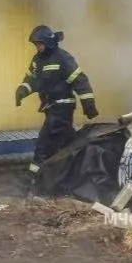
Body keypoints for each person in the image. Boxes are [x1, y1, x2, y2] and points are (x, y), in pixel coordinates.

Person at [15, 25, 99, 195]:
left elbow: (80, 80)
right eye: (36, 45)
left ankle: (31, 180)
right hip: (51, 107)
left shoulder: (62, 58)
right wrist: (22, 90)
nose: (37, 48)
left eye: (39, 44)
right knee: (66, 143)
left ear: (48, 43)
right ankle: (72, 177)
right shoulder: (37, 60)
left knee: (44, 143)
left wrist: (88, 104)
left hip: (62, 108)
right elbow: (31, 80)